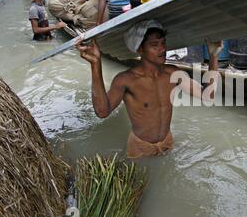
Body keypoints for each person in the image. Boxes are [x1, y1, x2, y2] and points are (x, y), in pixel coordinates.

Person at [75, 20, 222, 158]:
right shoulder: (127, 80)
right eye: (155, 45)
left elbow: (207, 95)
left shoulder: (172, 73)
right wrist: (96, 64)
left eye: (163, 43)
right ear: (140, 49)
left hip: (167, 142)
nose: (162, 49)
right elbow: (102, 112)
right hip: (140, 147)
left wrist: (214, 55)